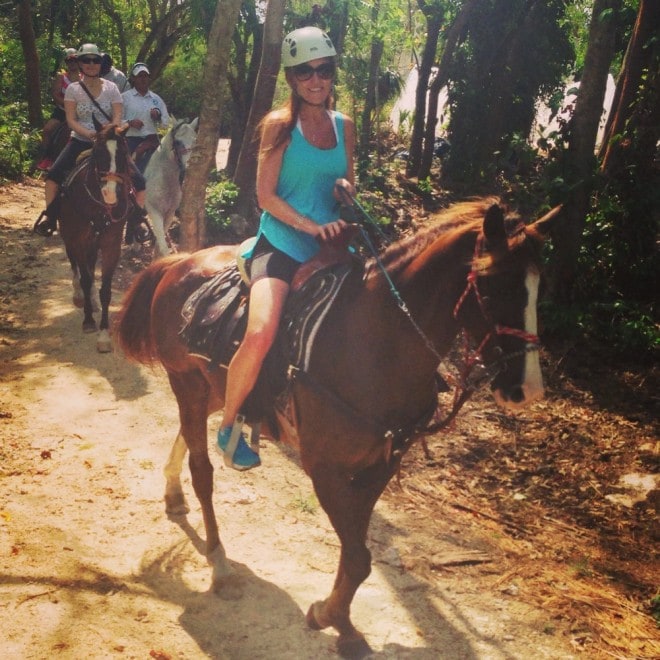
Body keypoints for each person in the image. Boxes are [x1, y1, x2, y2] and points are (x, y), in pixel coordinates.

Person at [216, 26, 356, 470]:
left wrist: (345, 190)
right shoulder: (279, 126)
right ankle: (229, 423)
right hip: (280, 243)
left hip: (331, 245)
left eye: (324, 70)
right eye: (305, 72)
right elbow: (265, 196)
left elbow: (345, 182)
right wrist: (312, 227)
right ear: (292, 79)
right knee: (260, 332)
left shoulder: (345, 126)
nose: (316, 79)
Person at [34, 43, 148, 239]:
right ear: (80, 63)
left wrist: (107, 134)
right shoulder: (73, 90)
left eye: (95, 60)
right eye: (86, 60)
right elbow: (70, 119)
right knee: (52, 177)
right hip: (81, 139)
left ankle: (137, 222)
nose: (91, 64)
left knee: (140, 181)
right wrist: (90, 134)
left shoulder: (112, 88)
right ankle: (51, 217)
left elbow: (117, 117)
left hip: (109, 140)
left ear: (100, 63)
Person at [36, 48, 80, 170]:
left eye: (75, 60)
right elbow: (55, 94)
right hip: (61, 111)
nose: (72, 63)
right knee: (47, 130)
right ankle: (45, 157)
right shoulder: (62, 77)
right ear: (66, 62)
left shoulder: (83, 78)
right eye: (69, 61)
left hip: (78, 113)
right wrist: (67, 105)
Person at [122, 62, 170, 172]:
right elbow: (115, 121)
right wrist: (129, 123)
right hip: (131, 141)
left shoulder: (156, 99)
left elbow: (166, 123)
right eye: (140, 76)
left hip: (152, 140)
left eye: (145, 76)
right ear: (133, 79)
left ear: (149, 78)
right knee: (130, 170)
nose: (143, 79)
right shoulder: (125, 98)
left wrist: (158, 116)